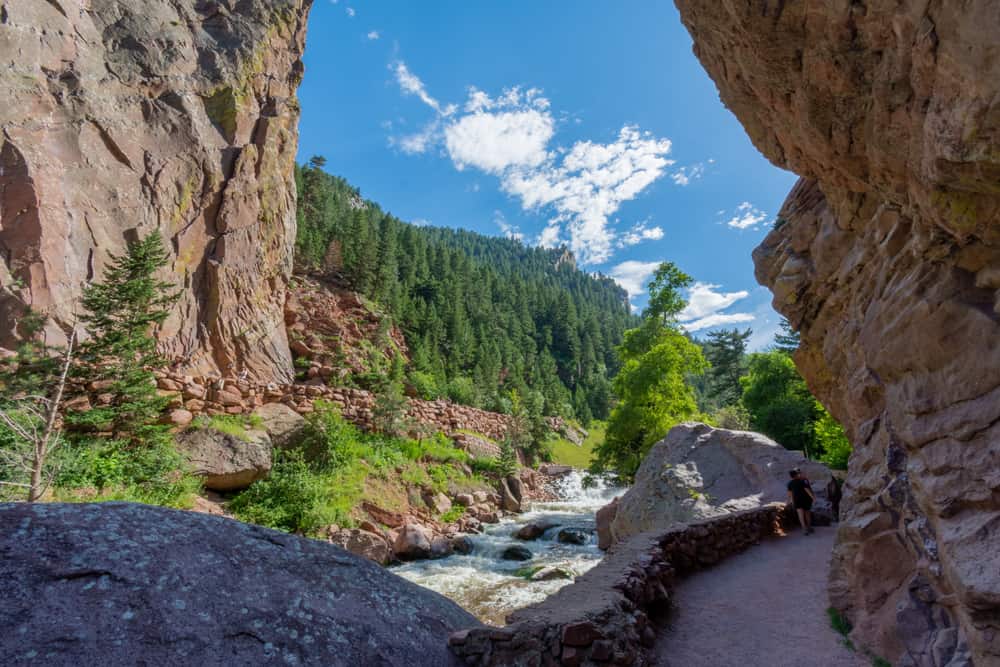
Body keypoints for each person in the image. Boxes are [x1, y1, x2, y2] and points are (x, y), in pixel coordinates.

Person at [787, 468, 816, 534]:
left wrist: (789, 502)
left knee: (800, 515)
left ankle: (804, 529)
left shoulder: (789, 483)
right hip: (806, 499)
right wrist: (813, 498)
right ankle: (809, 527)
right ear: (796, 475)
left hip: (797, 500)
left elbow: (789, 494)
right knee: (807, 514)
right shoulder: (802, 481)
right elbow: (807, 490)